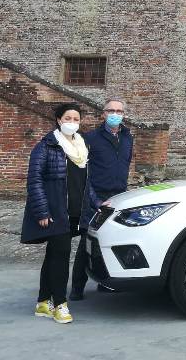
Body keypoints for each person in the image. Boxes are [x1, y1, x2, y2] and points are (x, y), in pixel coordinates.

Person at [21, 102, 99, 324]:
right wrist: (42, 211)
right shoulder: (46, 146)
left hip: (76, 211)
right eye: (67, 118)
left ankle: (43, 302)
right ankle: (60, 304)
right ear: (58, 120)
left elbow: (86, 182)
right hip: (55, 211)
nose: (72, 123)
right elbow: (34, 181)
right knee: (61, 256)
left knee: (53, 255)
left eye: (76, 119)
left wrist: (96, 202)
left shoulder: (83, 147)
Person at [70, 98, 133, 300]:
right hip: (96, 197)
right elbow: (83, 173)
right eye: (111, 110)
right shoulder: (90, 138)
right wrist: (94, 199)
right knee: (87, 244)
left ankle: (106, 283)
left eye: (119, 111)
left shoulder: (127, 138)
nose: (115, 114)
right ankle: (77, 288)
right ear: (103, 114)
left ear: (123, 115)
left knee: (110, 241)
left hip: (118, 196)